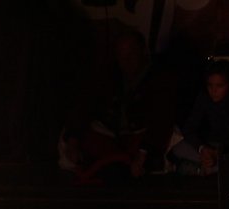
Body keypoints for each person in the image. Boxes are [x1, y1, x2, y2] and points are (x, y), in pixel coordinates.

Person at [59, 28, 179, 184]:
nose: (126, 60)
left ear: (142, 51)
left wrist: (143, 153)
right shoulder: (110, 75)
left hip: (142, 139)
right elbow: (86, 106)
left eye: (131, 53)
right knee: (71, 138)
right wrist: (73, 140)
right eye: (121, 55)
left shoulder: (159, 78)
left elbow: (161, 120)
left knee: (169, 141)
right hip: (113, 138)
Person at [169, 59, 229, 175]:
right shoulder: (204, 98)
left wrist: (219, 152)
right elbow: (189, 128)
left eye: (219, 86)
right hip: (208, 145)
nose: (214, 90)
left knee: (228, 166)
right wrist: (202, 148)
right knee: (178, 150)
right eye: (210, 85)